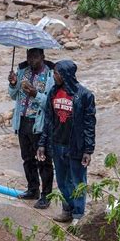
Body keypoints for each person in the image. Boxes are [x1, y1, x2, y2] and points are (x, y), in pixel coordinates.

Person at [37, 60, 96, 225]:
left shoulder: (84, 96)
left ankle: (78, 215)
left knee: (78, 181)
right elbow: (48, 121)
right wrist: (42, 144)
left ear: (65, 75)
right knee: (62, 181)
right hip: (56, 144)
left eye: (56, 73)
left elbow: (89, 125)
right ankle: (67, 210)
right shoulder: (53, 93)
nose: (53, 76)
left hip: (76, 146)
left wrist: (88, 150)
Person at [8, 48, 55, 209]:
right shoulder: (23, 71)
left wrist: (35, 94)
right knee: (27, 159)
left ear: (42, 56)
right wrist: (13, 83)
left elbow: (50, 104)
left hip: (39, 123)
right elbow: (14, 96)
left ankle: (46, 195)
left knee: (44, 161)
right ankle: (32, 189)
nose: (31, 60)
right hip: (22, 120)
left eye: (34, 57)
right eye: (29, 57)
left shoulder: (51, 75)